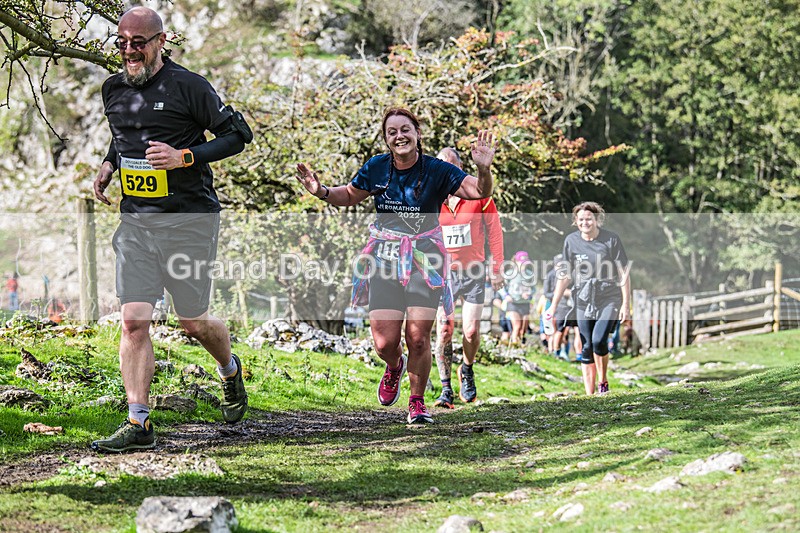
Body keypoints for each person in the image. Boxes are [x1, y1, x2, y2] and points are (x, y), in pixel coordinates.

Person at [91, 7, 251, 452]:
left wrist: (186, 157)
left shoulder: (191, 87)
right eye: (121, 42)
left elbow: (239, 136)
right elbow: (123, 134)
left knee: (193, 322)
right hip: (137, 221)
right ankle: (139, 421)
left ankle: (230, 369)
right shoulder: (113, 89)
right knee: (133, 320)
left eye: (137, 42)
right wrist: (109, 164)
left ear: (161, 41)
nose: (128, 50)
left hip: (189, 221)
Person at [296, 107, 496, 424]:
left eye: (405, 129)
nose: (399, 136)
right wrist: (320, 191)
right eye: (392, 132)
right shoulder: (377, 167)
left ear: (417, 133)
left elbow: (479, 192)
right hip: (384, 259)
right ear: (387, 139)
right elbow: (349, 195)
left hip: (425, 259)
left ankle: (417, 403)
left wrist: (483, 169)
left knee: (418, 337)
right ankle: (393, 366)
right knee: (384, 342)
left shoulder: (437, 170)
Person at [431, 147, 504, 408]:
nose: (445, 170)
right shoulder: (430, 197)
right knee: (444, 329)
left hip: (473, 272)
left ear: (459, 169)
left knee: (471, 331)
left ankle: (467, 369)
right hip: (443, 274)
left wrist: (496, 268)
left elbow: (495, 232)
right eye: (441, 165)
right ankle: (445, 389)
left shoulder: (478, 195)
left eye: (451, 165)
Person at [547, 202, 630, 395]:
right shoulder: (571, 241)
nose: (585, 222)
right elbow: (565, 275)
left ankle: (603, 381)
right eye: (581, 219)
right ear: (576, 221)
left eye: (589, 218)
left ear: (596, 219)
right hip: (583, 298)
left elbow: (623, 272)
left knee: (599, 340)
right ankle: (589, 395)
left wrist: (626, 304)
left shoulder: (611, 240)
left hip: (609, 296)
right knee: (585, 345)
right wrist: (554, 305)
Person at [502, 251, 534, 345]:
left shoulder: (529, 274)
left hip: (525, 303)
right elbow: (501, 287)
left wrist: (529, 294)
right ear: (516, 261)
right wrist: (506, 296)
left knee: (523, 329)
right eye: (521, 262)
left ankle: (519, 346)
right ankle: (514, 347)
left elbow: (533, 289)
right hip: (513, 304)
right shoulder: (510, 273)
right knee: (517, 326)